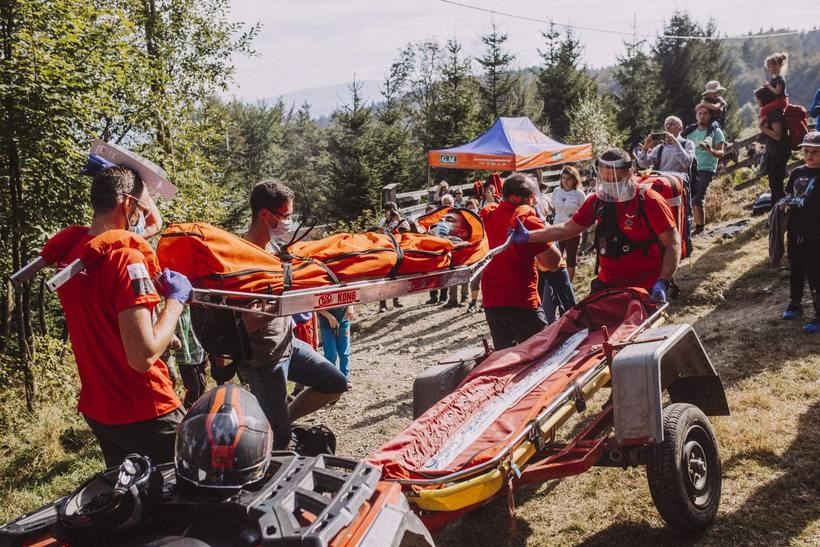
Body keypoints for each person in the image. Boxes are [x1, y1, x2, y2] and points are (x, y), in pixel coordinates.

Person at [55, 164, 190, 468]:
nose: (144, 216)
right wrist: (176, 300)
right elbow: (142, 356)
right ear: (128, 204)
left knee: (132, 503)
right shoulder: (126, 258)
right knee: (187, 501)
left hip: (101, 409)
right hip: (146, 410)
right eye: (141, 207)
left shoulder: (71, 255)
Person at [240, 180, 347, 449]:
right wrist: (287, 300)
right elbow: (247, 321)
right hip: (264, 358)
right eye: (286, 216)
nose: (289, 222)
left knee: (335, 383)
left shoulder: (275, 250)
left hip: (288, 344)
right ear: (266, 215)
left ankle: (280, 421)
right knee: (282, 442)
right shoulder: (241, 258)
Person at [512, 148, 681, 302]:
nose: (609, 184)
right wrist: (529, 236)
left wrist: (663, 282)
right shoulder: (597, 201)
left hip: (645, 286)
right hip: (608, 283)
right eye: (604, 179)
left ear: (630, 173)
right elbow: (567, 229)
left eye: (615, 179)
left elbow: (672, 243)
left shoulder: (649, 201)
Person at [480, 173, 562, 350]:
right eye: (532, 197)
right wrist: (546, 230)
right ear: (518, 198)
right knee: (540, 356)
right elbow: (553, 262)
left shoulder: (488, 216)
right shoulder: (528, 221)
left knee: (506, 359)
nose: (534, 201)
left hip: (491, 301)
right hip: (521, 300)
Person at [779, 131, 820, 334]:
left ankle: (819, 314)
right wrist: (784, 205)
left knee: (815, 272)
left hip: (816, 231)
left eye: (815, 152)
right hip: (795, 229)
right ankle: (795, 303)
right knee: (796, 267)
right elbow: (790, 194)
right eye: (806, 151)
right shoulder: (797, 172)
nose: (810, 156)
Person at [689, 104, 726, 235]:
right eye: (700, 114)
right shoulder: (691, 132)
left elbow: (721, 153)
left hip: (706, 168)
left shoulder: (716, 132)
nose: (702, 116)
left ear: (709, 116)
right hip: (691, 168)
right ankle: (699, 227)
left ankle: (698, 228)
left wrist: (709, 150)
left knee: (696, 197)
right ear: (696, 116)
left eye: (705, 113)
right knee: (695, 198)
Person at [165, 306, 208, 410]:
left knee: (202, 386)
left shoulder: (196, 310)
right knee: (194, 389)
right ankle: (187, 411)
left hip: (199, 354)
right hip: (186, 358)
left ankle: (198, 410)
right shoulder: (173, 314)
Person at [551, 165, 587, 281]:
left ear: (574, 180)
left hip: (572, 229)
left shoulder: (579, 194)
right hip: (557, 228)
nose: (565, 181)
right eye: (563, 178)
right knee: (556, 256)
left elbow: (585, 211)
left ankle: (569, 285)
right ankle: (557, 282)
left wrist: (575, 216)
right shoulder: (557, 191)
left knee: (570, 259)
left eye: (569, 178)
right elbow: (553, 207)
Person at [755, 86, 790, 203]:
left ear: (763, 99)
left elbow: (777, 135)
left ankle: (780, 213)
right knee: (774, 184)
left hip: (778, 153)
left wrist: (761, 128)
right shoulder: (769, 113)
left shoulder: (773, 113)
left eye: (758, 99)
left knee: (776, 185)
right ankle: (778, 213)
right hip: (774, 152)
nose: (757, 101)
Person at [318, 306, 354, 386]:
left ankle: (345, 378)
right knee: (330, 355)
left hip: (344, 322)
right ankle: (332, 379)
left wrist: (350, 306)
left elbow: (351, 296)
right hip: (326, 325)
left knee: (344, 353)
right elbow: (315, 304)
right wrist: (329, 316)